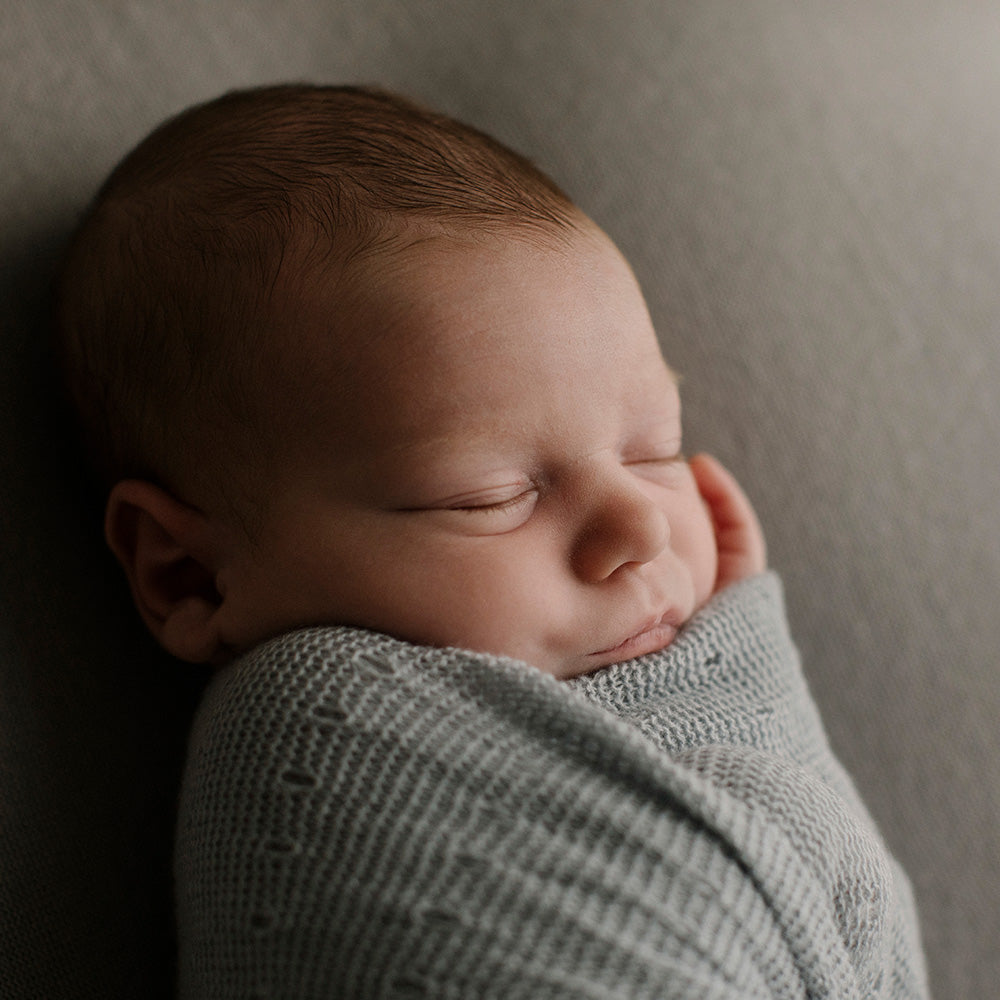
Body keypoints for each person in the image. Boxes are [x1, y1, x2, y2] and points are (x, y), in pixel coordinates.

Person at [54, 84, 928, 998]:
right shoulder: (319, 741)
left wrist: (740, 683)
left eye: (654, 449)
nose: (638, 529)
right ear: (189, 575)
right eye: (489, 497)